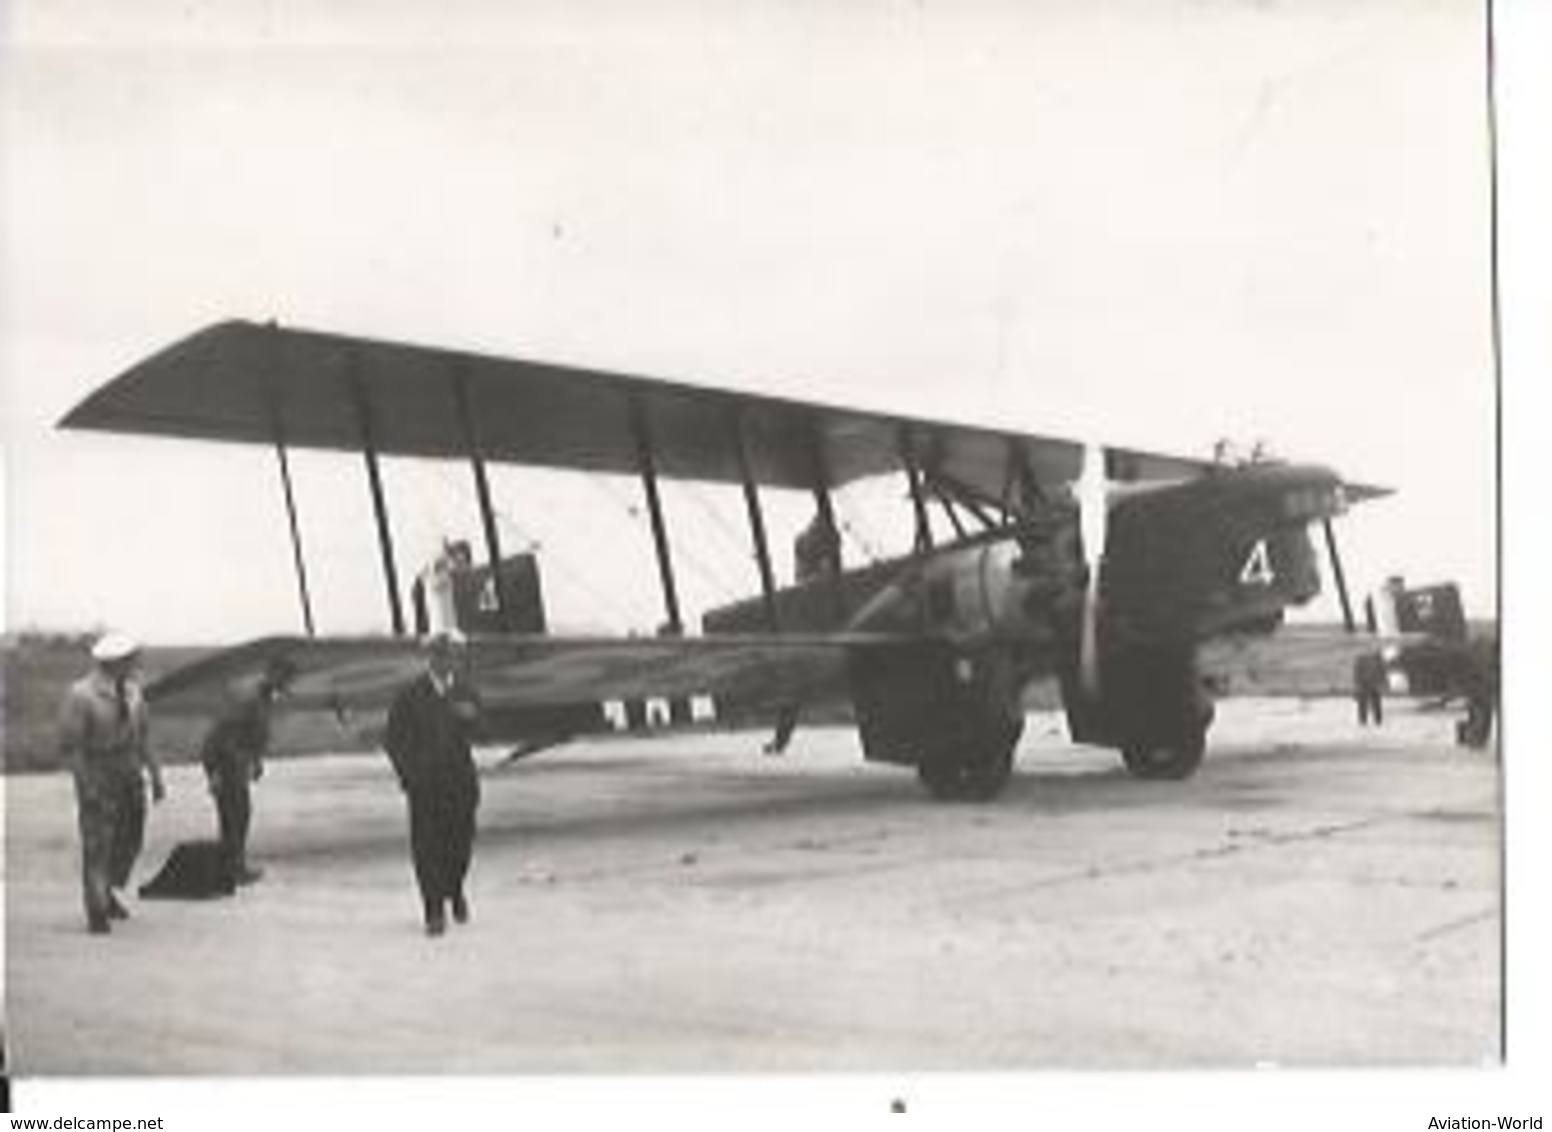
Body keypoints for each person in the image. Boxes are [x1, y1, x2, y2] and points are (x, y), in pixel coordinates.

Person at [57, 632, 165, 934]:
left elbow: (144, 736)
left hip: (129, 770)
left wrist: (155, 776)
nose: (135, 664)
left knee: (130, 837)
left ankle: (107, 889)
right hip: (97, 769)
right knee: (98, 842)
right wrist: (86, 784)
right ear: (115, 662)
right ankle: (97, 910)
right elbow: (72, 747)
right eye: (130, 660)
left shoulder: (133, 692)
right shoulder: (81, 695)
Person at [383, 631, 482, 936]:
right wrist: (409, 776)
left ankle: (454, 888)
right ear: (433, 658)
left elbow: (485, 730)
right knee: (427, 848)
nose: (451, 661)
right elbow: (393, 740)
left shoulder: (465, 691)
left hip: (460, 782)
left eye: (454, 655)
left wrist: (472, 719)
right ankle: (433, 910)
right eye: (445, 655)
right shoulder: (410, 695)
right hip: (425, 785)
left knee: (460, 845)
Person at [199, 655, 297, 885]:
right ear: (273, 674)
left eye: (289, 681)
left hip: (237, 762)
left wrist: (256, 760)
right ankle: (232, 870)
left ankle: (231, 868)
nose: (286, 685)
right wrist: (215, 772)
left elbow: (253, 734)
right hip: (226, 762)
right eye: (284, 679)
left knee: (238, 816)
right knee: (235, 816)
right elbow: (220, 737)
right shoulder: (249, 699)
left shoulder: (264, 699)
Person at [1352, 650, 1386, 727]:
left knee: (1365, 704)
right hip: (1371, 683)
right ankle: (1376, 721)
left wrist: (1357, 684)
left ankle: (1364, 721)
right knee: (1374, 704)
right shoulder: (1377, 660)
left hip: (1366, 684)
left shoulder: (1361, 660)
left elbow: (1356, 673)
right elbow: (1382, 672)